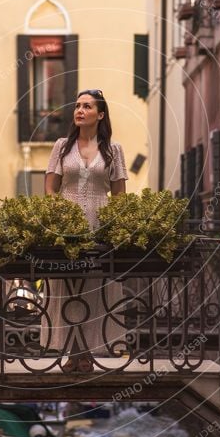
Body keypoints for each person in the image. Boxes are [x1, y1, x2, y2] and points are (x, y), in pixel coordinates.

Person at [44, 89, 127, 373]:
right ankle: (72, 351)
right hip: (66, 222)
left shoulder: (113, 150)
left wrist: (117, 226)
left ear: (100, 114)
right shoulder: (61, 147)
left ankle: (87, 353)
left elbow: (119, 195)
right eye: (77, 105)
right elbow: (50, 187)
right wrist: (59, 218)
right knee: (67, 285)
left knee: (94, 285)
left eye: (87, 106)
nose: (79, 110)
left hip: (99, 220)